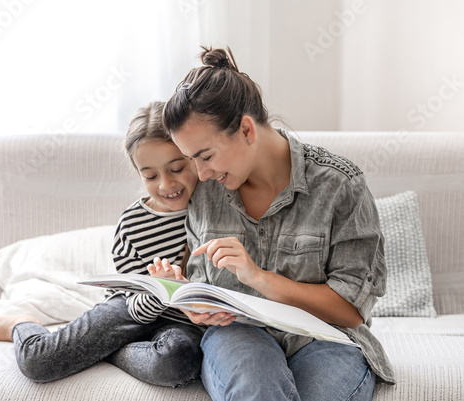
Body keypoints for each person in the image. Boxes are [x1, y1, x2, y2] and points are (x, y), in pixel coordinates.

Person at [162, 47, 395, 401]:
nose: (202, 173)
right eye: (192, 159)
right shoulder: (205, 194)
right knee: (256, 390)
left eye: (206, 155)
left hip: (326, 337)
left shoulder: (339, 185)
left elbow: (350, 311)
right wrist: (189, 302)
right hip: (239, 335)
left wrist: (259, 278)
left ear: (245, 130)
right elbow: (203, 287)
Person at [0, 101, 204, 388]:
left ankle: (107, 351)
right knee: (38, 362)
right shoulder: (132, 225)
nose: (166, 184)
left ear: (193, 157)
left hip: (181, 324)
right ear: (138, 172)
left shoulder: (213, 209)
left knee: (180, 361)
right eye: (150, 176)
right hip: (129, 310)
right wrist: (162, 291)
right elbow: (132, 303)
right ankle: (18, 323)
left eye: (177, 168)